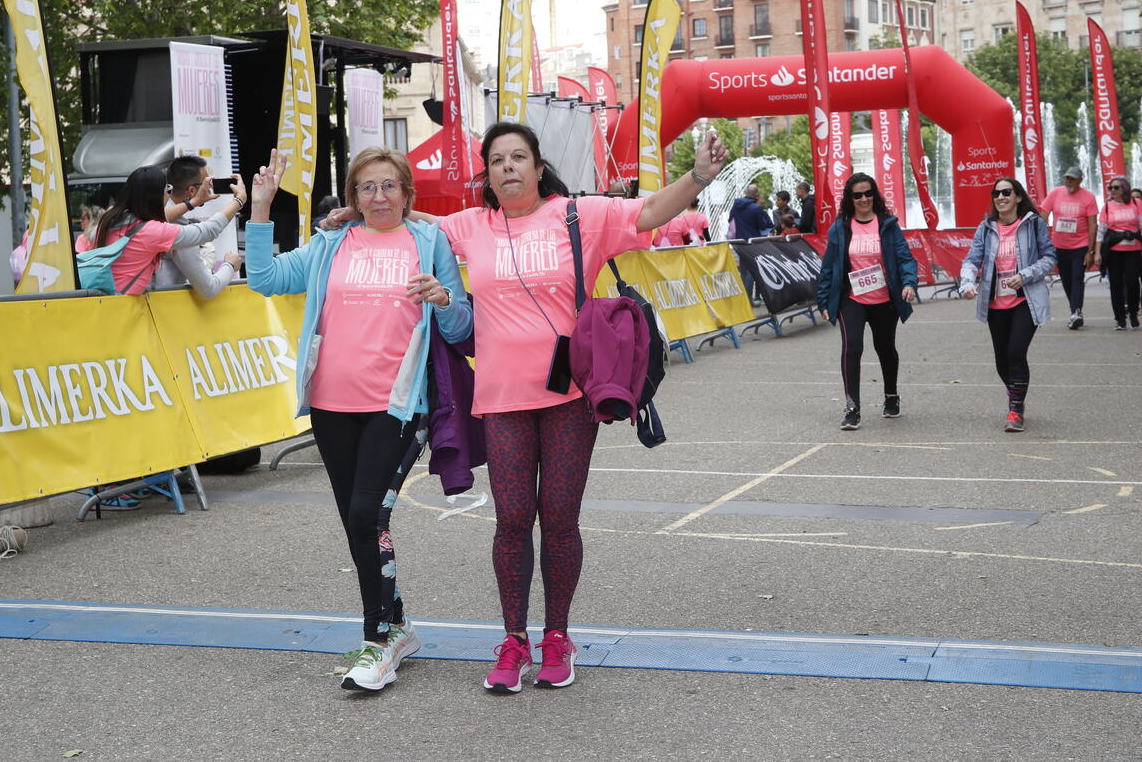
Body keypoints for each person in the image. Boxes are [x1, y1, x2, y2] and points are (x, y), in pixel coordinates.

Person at [326, 122, 729, 692]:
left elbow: (648, 213)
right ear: (486, 176)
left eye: (519, 157)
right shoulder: (472, 226)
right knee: (513, 521)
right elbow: (412, 223)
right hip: (502, 399)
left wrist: (698, 176)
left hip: (568, 397)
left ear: (539, 168)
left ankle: (557, 638)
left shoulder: (578, 215)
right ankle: (513, 640)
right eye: (497, 160)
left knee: (560, 519)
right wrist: (359, 213)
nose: (508, 167)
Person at [246, 146, 473, 693]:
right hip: (330, 406)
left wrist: (443, 298)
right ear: (352, 197)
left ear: (406, 193)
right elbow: (263, 277)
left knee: (368, 512)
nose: (378, 197)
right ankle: (396, 625)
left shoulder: (428, 241)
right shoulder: (330, 244)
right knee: (358, 518)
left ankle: (379, 638)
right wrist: (260, 208)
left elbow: (462, 327)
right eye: (367, 188)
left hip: (397, 406)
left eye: (389, 186)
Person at [815, 172, 918, 430]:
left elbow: (905, 258)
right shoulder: (841, 227)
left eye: (868, 193)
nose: (864, 199)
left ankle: (891, 395)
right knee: (853, 348)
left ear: (875, 195)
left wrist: (909, 283)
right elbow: (828, 267)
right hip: (852, 298)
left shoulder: (888, 224)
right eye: (857, 195)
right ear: (850, 198)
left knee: (885, 349)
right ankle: (852, 407)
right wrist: (823, 301)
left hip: (884, 299)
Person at [959, 178, 1057, 431]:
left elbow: (1049, 258)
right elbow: (972, 259)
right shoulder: (986, 227)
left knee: (1016, 352)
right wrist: (967, 283)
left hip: (1026, 299)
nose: (1000, 197)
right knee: (1002, 361)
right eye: (996, 193)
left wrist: (1025, 274)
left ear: (1018, 197)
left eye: (1006, 192)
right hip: (995, 303)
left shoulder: (1034, 224)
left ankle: (1015, 409)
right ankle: (1015, 391)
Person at [91, 165, 242, 296]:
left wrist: (195, 201)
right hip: (128, 309)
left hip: (104, 303)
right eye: (167, 190)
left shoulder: (110, 217)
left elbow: (155, 217)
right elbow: (207, 231)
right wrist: (239, 201)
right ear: (156, 197)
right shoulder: (153, 232)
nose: (169, 194)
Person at [155, 155, 243, 299]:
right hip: (161, 307)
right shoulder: (175, 226)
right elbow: (208, 289)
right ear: (191, 191)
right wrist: (230, 265)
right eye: (207, 183)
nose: (211, 187)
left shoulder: (153, 214)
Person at [1038, 166, 1099, 330]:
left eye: (1072, 179)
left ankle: (1076, 312)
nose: (1068, 181)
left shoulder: (1088, 197)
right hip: (1059, 246)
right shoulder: (1056, 193)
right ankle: (1075, 310)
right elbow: (1042, 216)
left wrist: (1091, 251)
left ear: (1080, 180)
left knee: (1077, 278)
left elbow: (1093, 224)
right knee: (1066, 280)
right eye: (1067, 178)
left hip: (1080, 246)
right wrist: (1041, 239)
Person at [1096, 176, 1141, 330]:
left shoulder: (1136, 203)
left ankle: (1133, 312)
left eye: (1116, 187)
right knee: (1115, 285)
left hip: (1133, 250)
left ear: (1125, 188)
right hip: (1114, 252)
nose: (1113, 190)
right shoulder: (1107, 207)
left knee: (1132, 282)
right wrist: (1097, 253)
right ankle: (1120, 319)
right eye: (1111, 188)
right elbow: (1101, 232)